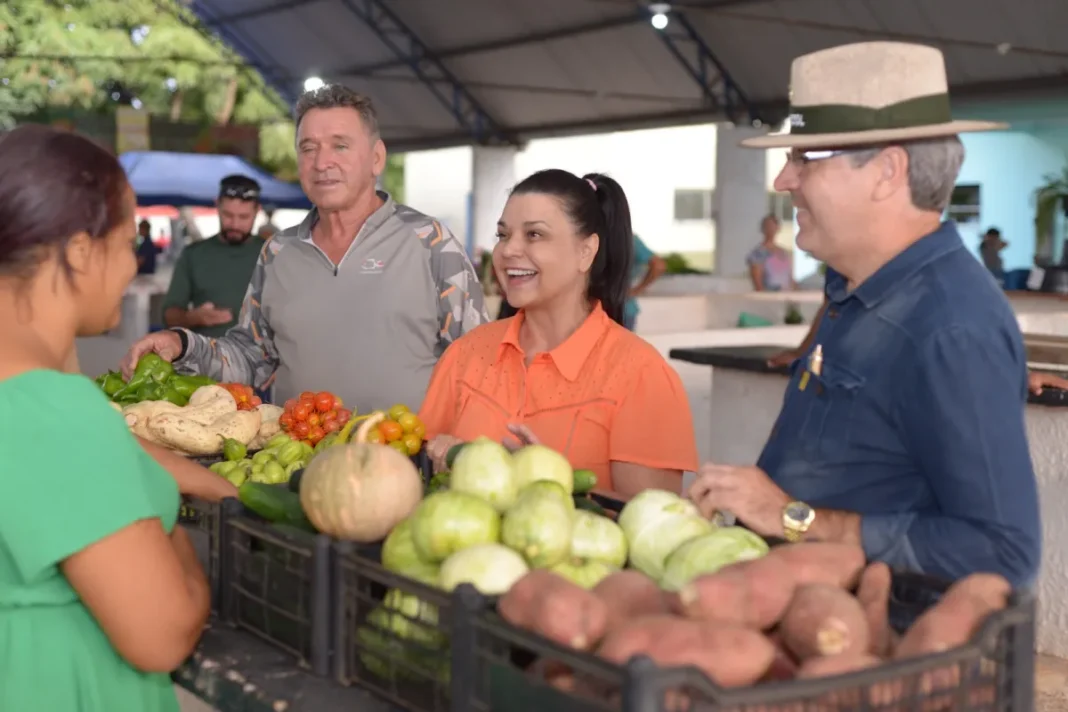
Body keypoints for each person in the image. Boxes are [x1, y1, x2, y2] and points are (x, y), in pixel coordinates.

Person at [688, 41, 1041, 587]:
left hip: (878, 643)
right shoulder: (856, 291)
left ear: (887, 171)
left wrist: (791, 518)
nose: (784, 179)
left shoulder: (952, 326)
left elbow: (1002, 551)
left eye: (807, 157)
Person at [0, 125, 210, 711]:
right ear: (78, 250)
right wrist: (178, 550)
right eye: (127, 241)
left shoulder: (42, 396)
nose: (132, 264)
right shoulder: (52, 409)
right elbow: (162, 633)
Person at [120, 85, 488, 412]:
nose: (321, 162)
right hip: (297, 466)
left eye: (340, 146)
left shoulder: (430, 243)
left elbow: (481, 363)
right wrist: (182, 344)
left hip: (410, 466)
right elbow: (252, 358)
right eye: (308, 148)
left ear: (376, 158)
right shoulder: (278, 252)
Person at [420, 170, 699, 498]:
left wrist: (551, 482)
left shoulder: (641, 374)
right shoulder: (465, 354)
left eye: (534, 235)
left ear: (586, 252)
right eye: (503, 235)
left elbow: (652, 527)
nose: (509, 250)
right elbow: (422, 469)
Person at [161, 175, 265, 338]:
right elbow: (169, 316)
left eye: (244, 217)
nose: (235, 224)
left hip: (262, 360)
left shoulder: (274, 255)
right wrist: (193, 318)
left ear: (257, 211)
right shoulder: (193, 255)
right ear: (217, 206)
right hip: (207, 358)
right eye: (228, 215)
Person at [623, 233, 666, 331]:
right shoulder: (629, 239)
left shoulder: (630, 240)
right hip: (618, 309)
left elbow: (658, 265)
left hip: (621, 310)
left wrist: (637, 289)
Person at [747, 214, 796, 292]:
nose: (771, 228)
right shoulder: (757, 254)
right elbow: (757, 282)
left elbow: (790, 277)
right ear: (763, 228)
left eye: (773, 225)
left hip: (786, 295)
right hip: (770, 296)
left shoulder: (783, 253)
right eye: (768, 225)